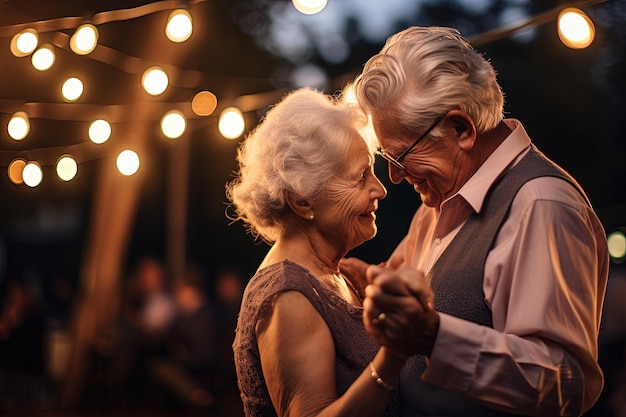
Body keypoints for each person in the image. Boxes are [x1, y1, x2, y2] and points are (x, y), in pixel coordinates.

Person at [343, 26, 610, 416]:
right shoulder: (438, 202)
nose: (395, 178)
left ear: (461, 129)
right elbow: (407, 292)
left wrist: (435, 338)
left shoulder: (542, 204)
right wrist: (376, 288)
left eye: (399, 158)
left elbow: (565, 384)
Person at [226, 87, 404, 417]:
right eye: (361, 176)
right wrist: (393, 355)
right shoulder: (288, 296)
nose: (379, 189)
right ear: (303, 200)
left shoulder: (336, 275)